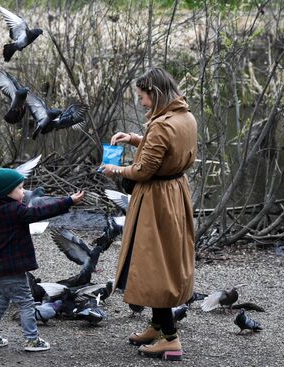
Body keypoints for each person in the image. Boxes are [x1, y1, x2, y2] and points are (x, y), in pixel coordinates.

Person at [100, 67, 197, 361]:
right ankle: (157, 326)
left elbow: (144, 170)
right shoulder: (185, 117)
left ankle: (170, 340)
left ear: (154, 93)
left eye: (142, 96)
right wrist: (133, 138)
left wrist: (114, 169)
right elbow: (168, 152)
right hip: (176, 194)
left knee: (155, 264)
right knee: (163, 259)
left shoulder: (162, 125)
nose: (141, 102)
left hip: (156, 198)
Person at [0, 167, 85, 352]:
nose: (23, 192)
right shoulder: (15, 210)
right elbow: (40, 212)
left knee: (1, 300)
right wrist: (68, 201)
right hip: (12, 271)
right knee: (27, 302)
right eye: (20, 188)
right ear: (7, 192)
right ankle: (32, 340)